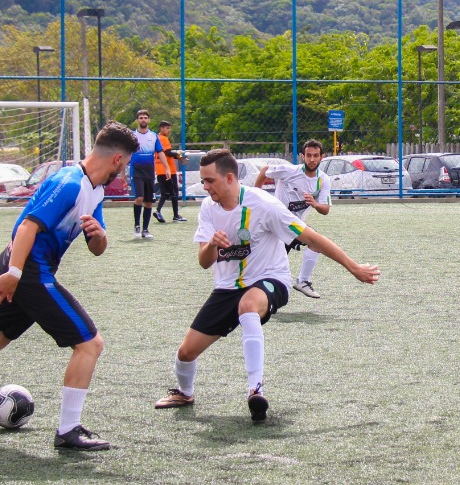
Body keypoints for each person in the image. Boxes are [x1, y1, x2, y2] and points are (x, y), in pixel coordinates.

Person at [0, 123, 139, 451]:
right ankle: (68, 431)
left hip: (28, 269)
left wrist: (99, 235)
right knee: (90, 343)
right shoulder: (69, 182)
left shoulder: (94, 190)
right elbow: (27, 227)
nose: (123, 172)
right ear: (116, 160)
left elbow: (96, 248)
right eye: (125, 165)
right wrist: (14, 273)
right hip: (28, 270)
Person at [154, 149, 379, 422]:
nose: (205, 187)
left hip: (270, 280)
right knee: (185, 353)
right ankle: (185, 393)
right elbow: (204, 262)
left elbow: (312, 237)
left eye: (209, 180)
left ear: (229, 178)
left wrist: (353, 267)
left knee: (248, 305)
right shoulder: (208, 208)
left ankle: (255, 390)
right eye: (203, 181)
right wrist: (212, 243)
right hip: (227, 288)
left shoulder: (264, 205)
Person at [255, 139, 333, 299]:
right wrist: (256, 196)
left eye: (316, 156)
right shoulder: (290, 171)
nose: (312, 159)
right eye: (309, 155)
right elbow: (264, 171)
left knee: (316, 243)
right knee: (268, 267)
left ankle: (303, 281)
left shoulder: (323, 179)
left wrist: (315, 203)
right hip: (276, 224)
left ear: (322, 157)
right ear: (302, 156)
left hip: (295, 226)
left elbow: (325, 210)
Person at [130, 109, 164, 239]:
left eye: (145, 117)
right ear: (137, 120)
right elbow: (127, 153)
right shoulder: (132, 136)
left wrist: (166, 167)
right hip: (137, 171)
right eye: (141, 118)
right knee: (139, 198)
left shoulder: (154, 136)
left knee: (149, 202)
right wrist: (122, 170)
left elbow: (160, 152)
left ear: (148, 120)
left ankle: (145, 229)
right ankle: (137, 226)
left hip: (149, 172)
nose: (143, 120)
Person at [153, 120, 187, 224]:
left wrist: (177, 155)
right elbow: (168, 152)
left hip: (159, 170)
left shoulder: (156, 138)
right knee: (173, 193)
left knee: (165, 192)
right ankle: (175, 215)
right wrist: (180, 154)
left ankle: (158, 211)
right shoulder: (163, 138)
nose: (168, 130)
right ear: (161, 128)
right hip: (168, 170)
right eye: (167, 128)